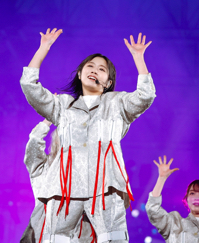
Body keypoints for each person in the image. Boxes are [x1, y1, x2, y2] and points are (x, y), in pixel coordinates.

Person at [21, 30, 155, 242]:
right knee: (56, 238)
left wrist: (139, 58)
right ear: (79, 74)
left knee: (114, 238)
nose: (94, 71)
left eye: (102, 69)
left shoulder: (117, 104)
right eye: (90, 66)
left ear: (108, 82)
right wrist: (43, 48)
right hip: (64, 188)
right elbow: (30, 88)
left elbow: (145, 96)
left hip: (106, 187)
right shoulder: (63, 105)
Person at [21, 120, 96, 243]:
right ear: (57, 140)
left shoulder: (90, 173)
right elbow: (34, 143)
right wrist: (47, 121)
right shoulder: (44, 168)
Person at [145, 156, 199, 242]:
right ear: (186, 200)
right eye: (192, 193)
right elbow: (153, 209)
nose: (197, 198)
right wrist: (161, 179)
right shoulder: (175, 223)